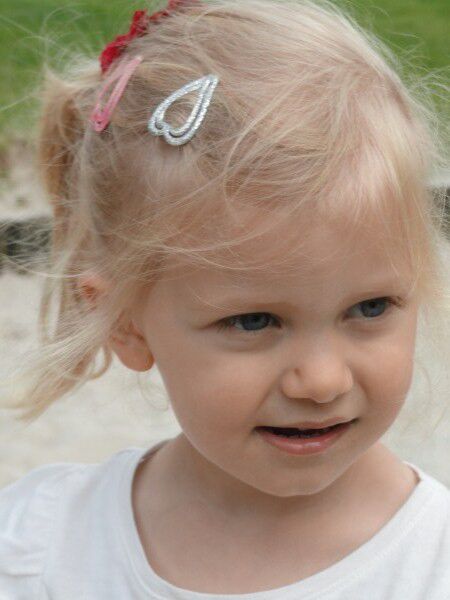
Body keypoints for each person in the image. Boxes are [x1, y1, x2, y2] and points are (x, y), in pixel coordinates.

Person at [0, 0, 449, 597]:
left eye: (370, 308)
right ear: (124, 322)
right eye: (254, 321)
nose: (321, 382)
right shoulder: (38, 550)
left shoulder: (433, 567)